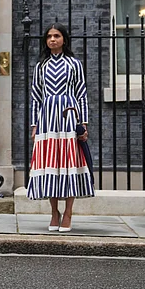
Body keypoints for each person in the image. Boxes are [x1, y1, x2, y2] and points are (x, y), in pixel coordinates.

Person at [28, 22, 94, 232]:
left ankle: (68, 212)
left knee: (68, 163)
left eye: (56, 36)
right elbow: (36, 96)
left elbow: (81, 93)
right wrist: (34, 125)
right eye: (49, 36)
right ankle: (54, 213)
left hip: (68, 118)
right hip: (47, 119)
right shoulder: (41, 66)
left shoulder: (74, 64)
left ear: (64, 39)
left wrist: (83, 123)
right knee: (50, 164)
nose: (52, 39)